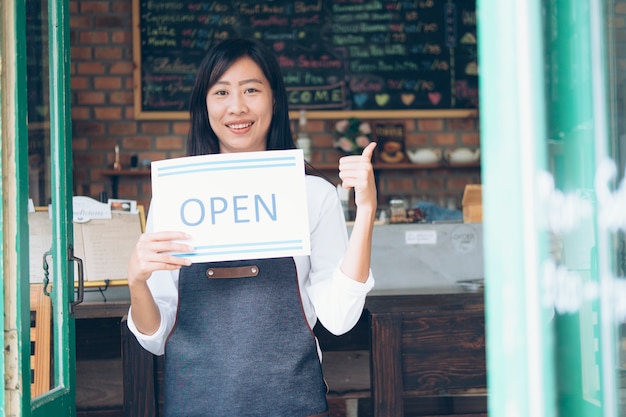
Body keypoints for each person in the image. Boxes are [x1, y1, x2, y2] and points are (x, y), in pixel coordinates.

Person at [126, 38, 377, 417]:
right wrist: (137, 282)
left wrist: (367, 211)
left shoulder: (312, 194)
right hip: (197, 404)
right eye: (221, 92)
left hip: (292, 403)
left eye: (251, 90)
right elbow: (156, 338)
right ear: (204, 105)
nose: (237, 107)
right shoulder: (176, 196)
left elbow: (339, 319)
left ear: (274, 100)